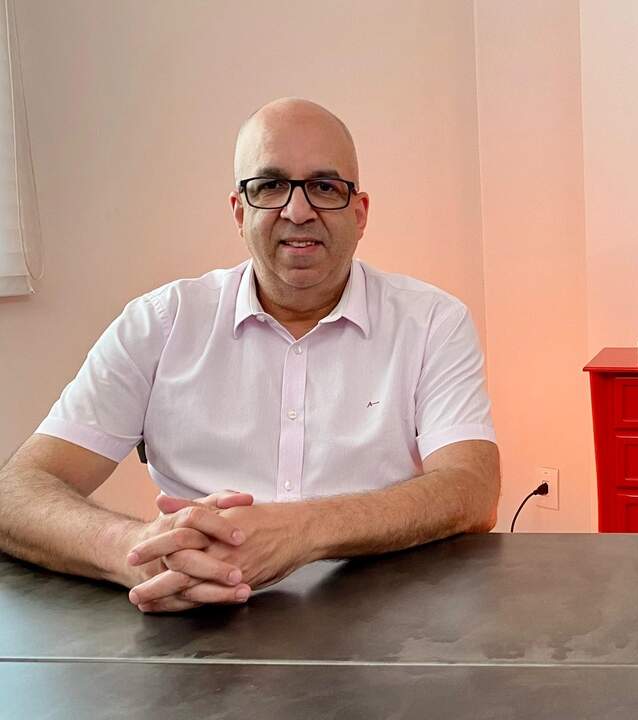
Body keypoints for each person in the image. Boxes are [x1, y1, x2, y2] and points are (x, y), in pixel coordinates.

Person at [0, 98, 500, 613]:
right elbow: (17, 492)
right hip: (191, 621)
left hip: (388, 624)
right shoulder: (160, 323)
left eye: (325, 187)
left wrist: (303, 530)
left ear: (360, 213)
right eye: (270, 186)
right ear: (240, 212)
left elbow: (472, 488)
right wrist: (141, 551)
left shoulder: (432, 322)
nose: (298, 211)